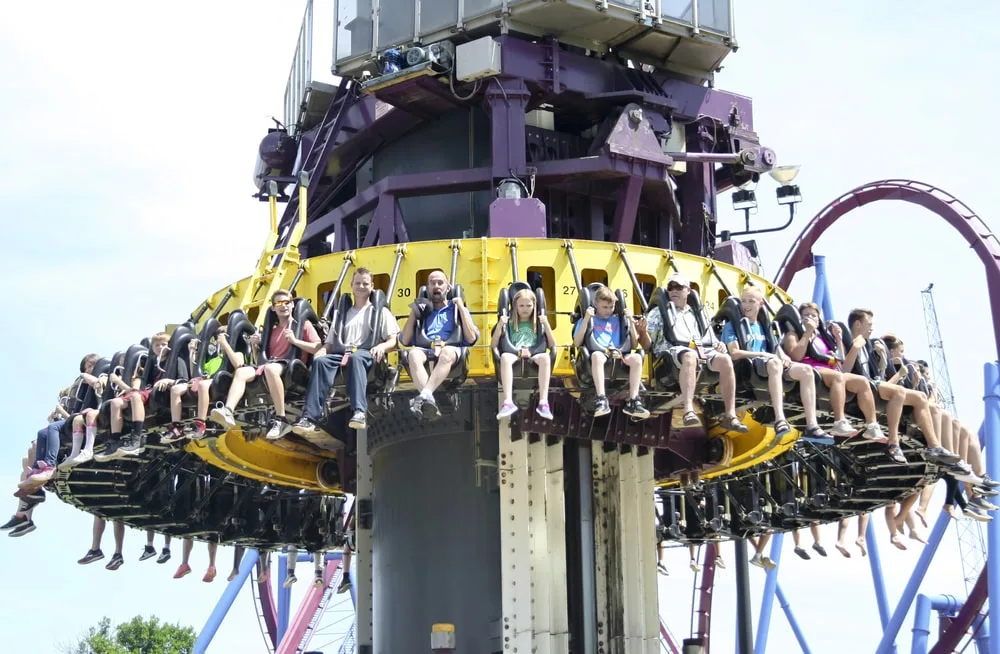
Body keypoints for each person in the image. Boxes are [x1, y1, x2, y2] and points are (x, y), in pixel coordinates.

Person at [845, 309, 960, 467]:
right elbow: (844, 370)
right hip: (859, 386)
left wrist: (883, 362)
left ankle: (934, 447)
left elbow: (877, 375)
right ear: (858, 324)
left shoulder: (868, 346)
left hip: (873, 385)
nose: (872, 328)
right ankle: (893, 443)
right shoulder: (848, 340)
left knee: (920, 397)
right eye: (869, 324)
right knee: (899, 391)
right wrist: (855, 347)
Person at [293, 267, 399, 439]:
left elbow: (393, 340)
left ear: (372, 286)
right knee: (320, 362)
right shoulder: (342, 314)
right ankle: (310, 417)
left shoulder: (380, 312)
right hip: (343, 353)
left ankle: (359, 411)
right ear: (351, 285)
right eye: (358, 283)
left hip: (366, 354)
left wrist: (382, 347)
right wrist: (322, 351)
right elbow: (330, 343)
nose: (361, 286)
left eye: (365, 283)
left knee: (356, 358)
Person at [639, 273, 746, 431]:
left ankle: (730, 415)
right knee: (689, 356)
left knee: (725, 361)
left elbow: (711, 339)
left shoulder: (698, 313)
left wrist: (720, 346)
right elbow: (647, 345)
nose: (674, 291)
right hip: (671, 353)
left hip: (701, 350)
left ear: (688, 290)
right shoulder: (659, 313)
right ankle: (688, 409)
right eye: (670, 288)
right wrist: (641, 332)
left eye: (678, 287)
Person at [211, 289, 322, 440]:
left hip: (293, 368)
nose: (283, 306)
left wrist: (295, 341)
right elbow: (263, 359)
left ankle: (281, 419)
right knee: (241, 372)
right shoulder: (272, 331)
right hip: (272, 365)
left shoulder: (303, 325)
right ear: (273, 308)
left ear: (292, 305)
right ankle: (228, 410)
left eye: (287, 302)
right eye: (279, 303)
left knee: (271, 369)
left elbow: (317, 347)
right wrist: (256, 346)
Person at [720, 286, 828, 439]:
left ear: (761, 303)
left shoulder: (764, 326)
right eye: (744, 301)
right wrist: (764, 354)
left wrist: (784, 356)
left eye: (751, 301)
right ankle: (780, 419)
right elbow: (735, 353)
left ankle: (812, 425)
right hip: (749, 366)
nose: (747, 305)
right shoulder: (732, 326)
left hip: (771, 363)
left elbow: (776, 348)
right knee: (775, 363)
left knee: (806, 371)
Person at [782, 303, 884, 442]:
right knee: (838, 377)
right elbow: (796, 356)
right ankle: (839, 422)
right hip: (810, 370)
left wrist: (838, 338)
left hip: (832, 371)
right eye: (806, 315)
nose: (810, 318)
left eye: (814, 315)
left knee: (862, 381)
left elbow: (840, 362)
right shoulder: (793, 334)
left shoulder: (823, 337)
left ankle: (872, 426)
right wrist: (807, 333)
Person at [401, 270, 480, 420]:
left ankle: (424, 395)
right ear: (427, 287)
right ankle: (428, 399)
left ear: (448, 287)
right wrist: (414, 311)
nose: (436, 286)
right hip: (426, 348)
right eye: (432, 283)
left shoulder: (455, 308)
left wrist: (462, 308)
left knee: (446, 354)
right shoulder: (423, 309)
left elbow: (471, 339)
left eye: (440, 283)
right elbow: (405, 340)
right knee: (413, 354)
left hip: (450, 349)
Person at [573, 284, 648, 418]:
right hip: (600, 355)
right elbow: (577, 342)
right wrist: (585, 319)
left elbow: (634, 344)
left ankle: (634, 401)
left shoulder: (617, 320)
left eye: (611, 307)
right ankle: (601, 398)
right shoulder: (589, 319)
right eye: (604, 307)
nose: (608, 311)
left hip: (619, 355)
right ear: (596, 304)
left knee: (637, 358)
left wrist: (630, 321)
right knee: (597, 356)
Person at [494, 287, 556, 420]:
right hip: (514, 353)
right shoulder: (510, 323)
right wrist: (500, 325)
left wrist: (546, 324)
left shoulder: (538, 324)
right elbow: (494, 344)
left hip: (534, 354)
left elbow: (552, 344)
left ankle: (543, 402)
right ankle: (508, 402)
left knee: (545, 357)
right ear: (515, 306)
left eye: (528, 305)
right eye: (521, 305)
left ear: (534, 306)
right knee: (505, 357)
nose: (525, 309)